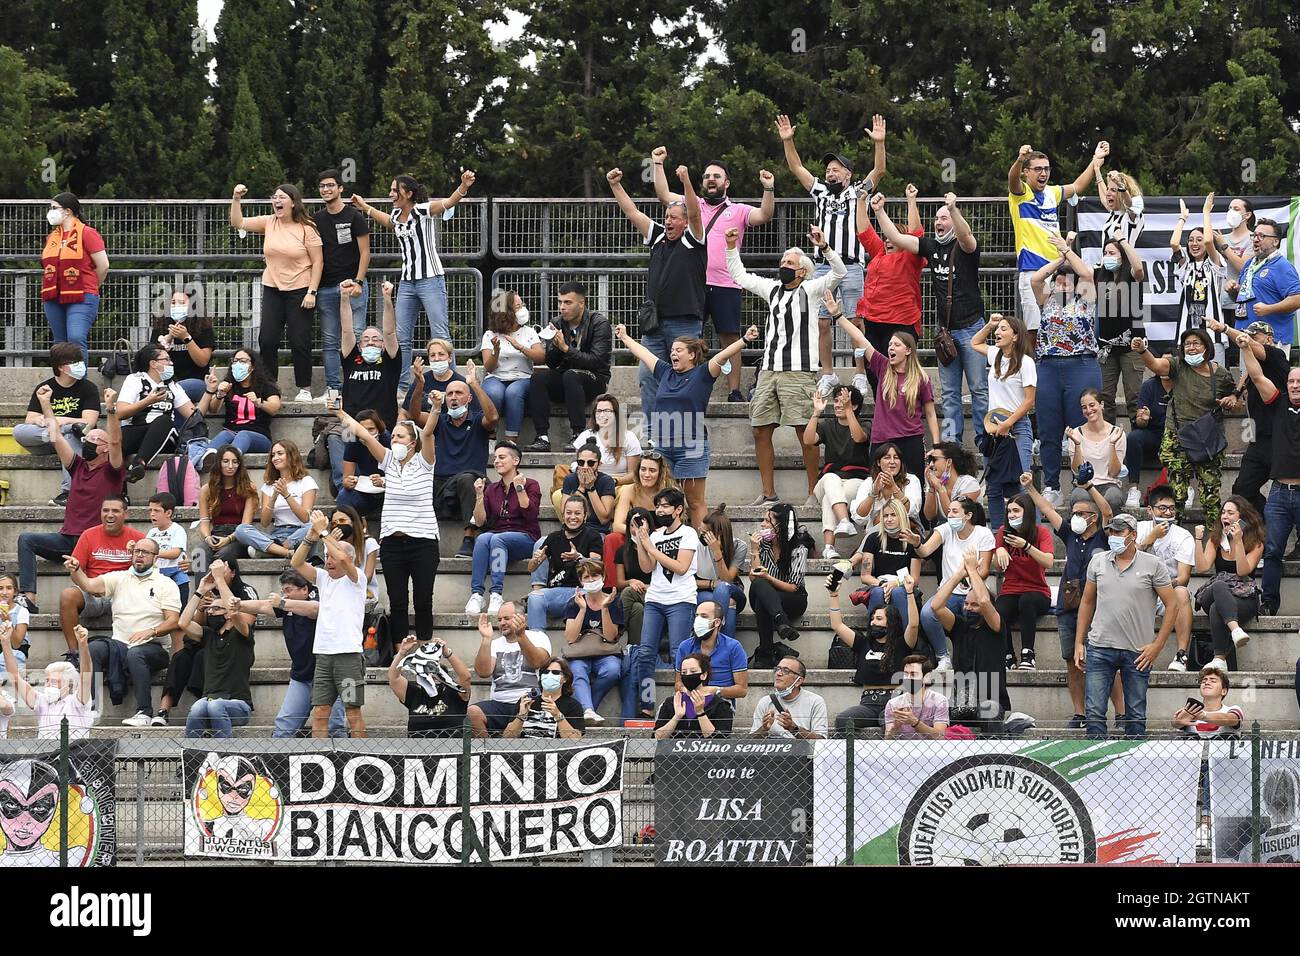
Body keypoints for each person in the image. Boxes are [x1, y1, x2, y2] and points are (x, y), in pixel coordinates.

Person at [651, 146, 777, 401]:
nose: (711, 179)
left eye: (716, 176)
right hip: (693, 286)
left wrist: (768, 188)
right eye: (707, 176)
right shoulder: (692, 204)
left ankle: (734, 390)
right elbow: (664, 195)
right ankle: (689, 388)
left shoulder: (739, 210)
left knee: (730, 338)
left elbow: (765, 214)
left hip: (726, 283)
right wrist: (657, 164)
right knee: (689, 339)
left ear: (726, 183)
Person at [729, 229, 843, 506]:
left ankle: (813, 493)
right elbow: (740, 276)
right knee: (760, 429)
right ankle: (768, 494)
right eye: (782, 262)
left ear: (803, 271)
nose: (784, 266)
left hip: (799, 371)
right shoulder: (773, 289)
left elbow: (839, 272)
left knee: (806, 433)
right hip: (768, 370)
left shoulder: (812, 289)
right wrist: (731, 246)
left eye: (790, 263)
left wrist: (825, 246)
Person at [775, 112, 887, 389]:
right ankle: (828, 374)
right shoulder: (820, 192)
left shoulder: (858, 191)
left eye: (836, 169)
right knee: (823, 323)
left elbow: (880, 171)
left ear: (848, 175)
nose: (830, 172)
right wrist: (788, 141)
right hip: (823, 266)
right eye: (828, 169)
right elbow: (797, 168)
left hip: (851, 265)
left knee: (855, 322)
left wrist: (879, 143)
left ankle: (860, 374)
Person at [615, 320, 754, 523]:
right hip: (663, 446)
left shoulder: (703, 373)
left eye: (678, 350)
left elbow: (723, 355)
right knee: (663, 500)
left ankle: (702, 546)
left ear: (691, 354)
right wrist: (625, 337)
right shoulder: (665, 372)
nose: (673, 353)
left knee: (695, 502)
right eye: (672, 350)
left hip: (691, 446)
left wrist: (744, 340)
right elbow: (643, 353)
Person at [880, 191, 989, 444]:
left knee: (979, 390)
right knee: (950, 393)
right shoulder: (930, 246)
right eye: (937, 218)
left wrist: (953, 209)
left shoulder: (965, 247)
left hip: (973, 328)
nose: (939, 222)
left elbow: (967, 236)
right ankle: (953, 444)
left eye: (944, 218)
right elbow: (896, 237)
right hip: (946, 333)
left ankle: (986, 442)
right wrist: (879, 211)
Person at [350, 169, 476, 385]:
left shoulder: (422, 210)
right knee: (402, 336)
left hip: (431, 279)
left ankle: (454, 383)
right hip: (408, 282)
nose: (390, 194)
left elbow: (449, 202)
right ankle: (402, 385)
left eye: (394, 190)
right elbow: (388, 222)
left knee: (440, 334)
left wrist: (463, 186)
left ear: (407, 193)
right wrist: (365, 207)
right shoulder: (397, 216)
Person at [606, 165, 707, 430]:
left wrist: (686, 181)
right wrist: (616, 185)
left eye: (674, 217)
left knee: (686, 378)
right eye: (666, 216)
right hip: (655, 325)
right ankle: (654, 433)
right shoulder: (659, 237)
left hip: (684, 325)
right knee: (647, 376)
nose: (668, 221)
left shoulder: (694, 239)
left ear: (685, 222)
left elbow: (695, 211)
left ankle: (688, 428)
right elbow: (632, 212)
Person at [335, 397, 440, 643]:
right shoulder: (389, 461)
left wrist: (435, 408)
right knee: (398, 601)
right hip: (392, 543)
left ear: (412, 443)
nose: (394, 440)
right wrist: (340, 413)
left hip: (423, 542)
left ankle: (425, 649)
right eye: (393, 437)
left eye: (400, 437)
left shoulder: (425, 462)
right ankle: (400, 653)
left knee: (423, 600)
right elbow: (365, 435)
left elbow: (428, 433)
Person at [1021, 472, 1119, 729]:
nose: (1074, 517)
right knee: (1072, 663)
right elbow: (1046, 508)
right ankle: (1080, 714)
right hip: (1068, 606)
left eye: (1080, 513)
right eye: (1073, 513)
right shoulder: (1069, 535)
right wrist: (1031, 488)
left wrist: (1090, 487)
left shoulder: (1105, 537)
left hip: (1099, 609)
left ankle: (1120, 714)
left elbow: (1108, 511)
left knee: (1105, 662)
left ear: (1092, 517)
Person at [17, 386, 124, 615]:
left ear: (104, 448)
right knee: (26, 539)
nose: (88, 441)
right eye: (88, 437)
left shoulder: (112, 471)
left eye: (95, 439)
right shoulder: (78, 466)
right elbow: (56, 438)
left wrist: (111, 409)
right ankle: (28, 598)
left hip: (94, 542)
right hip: (68, 539)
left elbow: (116, 441)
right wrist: (46, 404)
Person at [1075, 513, 1178, 739]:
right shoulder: (1098, 561)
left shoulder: (1153, 564)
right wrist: (1079, 643)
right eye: (1111, 531)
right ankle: (1095, 762)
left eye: (1119, 532)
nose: (1113, 536)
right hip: (1100, 645)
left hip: (1138, 651)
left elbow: (1173, 604)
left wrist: (1157, 646)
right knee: (1093, 713)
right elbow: (1086, 601)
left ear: (1133, 535)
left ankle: (1135, 768)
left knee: (1136, 715)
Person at [229, 182, 323, 402]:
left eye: (282, 197)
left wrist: (312, 291)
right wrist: (236, 198)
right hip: (272, 287)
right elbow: (238, 222)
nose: (277, 201)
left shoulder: (306, 227)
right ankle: (271, 387)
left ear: (293, 202)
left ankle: (304, 389)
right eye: (274, 197)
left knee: (299, 340)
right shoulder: (269, 222)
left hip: (301, 288)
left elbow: (318, 262)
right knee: (267, 339)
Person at [72, 537, 181, 727]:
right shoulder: (119, 578)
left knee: (136, 653)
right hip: (120, 645)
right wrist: (76, 569)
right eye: (137, 551)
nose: (139, 555)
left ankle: (144, 711)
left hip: (154, 648)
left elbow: (174, 621)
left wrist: (151, 631)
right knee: (93, 649)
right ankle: (93, 709)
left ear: (155, 558)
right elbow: (88, 585)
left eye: (145, 552)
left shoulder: (166, 584)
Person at [1132, 328, 1235, 527]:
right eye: (1187, 344)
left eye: (1196, 343)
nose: (1192, 347)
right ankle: (1172, 538)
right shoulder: (1177, 366)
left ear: (1207, 347)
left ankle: (1216, 542)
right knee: (1176, 496)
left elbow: (1236, 398)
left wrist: (1231, 400)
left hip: (1207, 441)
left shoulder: (1221, 374)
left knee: (1211, 496)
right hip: (1177, 437)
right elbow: (1155, 365)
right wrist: (1143, 351)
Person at [1007, 142, 1106, 346]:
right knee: (1035, 331)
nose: (1043, 173)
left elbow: (1078, 186)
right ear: (1026, 172)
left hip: (1058, 272)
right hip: (1034, 272)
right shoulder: (1021, 193)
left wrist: (1095, 160)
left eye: (1046, 168)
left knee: (1063, 324)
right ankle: (1035, 376)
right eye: (1037, 169)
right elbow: (1012, 180)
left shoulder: (1052, 193)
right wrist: (1019, 159)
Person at [1031, 230, 1103, 508]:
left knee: (1079, 428)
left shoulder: (1085, 299)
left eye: (1066, 284)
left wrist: (1068, 253)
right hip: (1049, 366)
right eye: (1058, 284)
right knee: (1049, 429)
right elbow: (1036, 279)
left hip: (1081, 364)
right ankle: (1051, 485)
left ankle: (1079, 483)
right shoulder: (1046, 300)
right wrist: (1059, 258)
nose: (1062, 287)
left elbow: (1087, 274)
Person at [228, 569, 346, 739]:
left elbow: (314, 610)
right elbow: (262, 605)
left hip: (329, 675)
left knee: (335, 727)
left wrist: (282, 602)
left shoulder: (319, 598)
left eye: (289, 590)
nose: (285, 594)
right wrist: (240, 605)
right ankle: (276, 764)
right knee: (283, 728)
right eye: (283, 591)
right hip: (301, 676)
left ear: (305, 589)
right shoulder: (287, 605)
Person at [832, 300, 938, 481]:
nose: (891, 348)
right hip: (882, 439)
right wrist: (838, 316)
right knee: (879, 489)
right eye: (890, 345)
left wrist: (936, 445)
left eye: (896, 345)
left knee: (913, 489)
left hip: (910, 439)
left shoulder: (921, 377)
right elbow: (859, 338)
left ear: (908, 350)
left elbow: (930, 414)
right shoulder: (882, 366)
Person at [291, 510, 368, 738]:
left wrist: (325, 532)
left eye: (332, 556)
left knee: (352, 712)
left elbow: (343, 558)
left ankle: (361, 761)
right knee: (320, 712)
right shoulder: (323, 578)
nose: (329, 560)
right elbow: (296, 562)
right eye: (327, 556)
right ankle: (318, 764)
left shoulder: (357, 578)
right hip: (324, 654)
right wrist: (311, 536)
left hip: (348, 654)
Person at [1242, 336, 1300, 618]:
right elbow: (1255, 373)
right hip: (1279, 493)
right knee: (1273, 551)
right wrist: (1244, 348)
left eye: (1299, 382)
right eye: (1291, 382)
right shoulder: (1277, 402)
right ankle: (1269, 604)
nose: (1295, 385)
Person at [631, 488, 700, 717]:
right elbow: (647, 568)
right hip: (655, 598)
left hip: (680, 599)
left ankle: (679, 702)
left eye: (665, 506)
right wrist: (642, 542)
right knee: (645, 652)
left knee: (678, 652)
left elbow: (681, 567)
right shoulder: (655, 535)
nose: (660, 510)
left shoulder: (689, 533)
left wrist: (651, 548)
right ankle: (647, 705)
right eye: (658, 506)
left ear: (678, 509)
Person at [853, 187, 928, 394]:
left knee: (897, 371)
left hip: (900, 323)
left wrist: (911, 200)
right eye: (885, 236)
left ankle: (903, 412)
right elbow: (864, 232)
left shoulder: (910, 257)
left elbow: (917, 234)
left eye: (892, 236)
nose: (887, 240)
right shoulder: (879, 253)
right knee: (872, 368)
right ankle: (883, 409)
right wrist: (861, 200)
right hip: (873, 322)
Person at [524, 282, 615, 453]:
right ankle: (542, 437)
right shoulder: (557, 322)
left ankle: (578, 435)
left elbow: (597, 361)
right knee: (538, 377)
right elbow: (551, 363)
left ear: (582, 303)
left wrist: (566, 348)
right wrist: (555, 346)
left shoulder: (599, 323)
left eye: (568, 302)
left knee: (571, 375)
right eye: (560, 302)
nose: (562, 307)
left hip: (594, 379)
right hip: (566, 377)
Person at [906, 496, 995, 671]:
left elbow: (984, 570)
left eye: (955, 511)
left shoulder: (983, 533)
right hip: (949, 594)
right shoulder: (945, 529)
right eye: (949, 512)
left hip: (974, 592)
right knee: (926, 613)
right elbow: (924, 551)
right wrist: (917, 542)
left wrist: (967, 576)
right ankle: (943, 656)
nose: (950, 515)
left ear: (968, 515)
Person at [930, 549, 1013, 732]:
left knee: (988, 713)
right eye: (966, 604)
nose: (968, 608)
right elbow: (936, 606)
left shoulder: (996, 626)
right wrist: (960, 573)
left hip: (990, 701)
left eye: (973, 605)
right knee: (936, 718)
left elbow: (984, 601)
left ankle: (993, 758)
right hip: (962, 701)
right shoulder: (959, 627)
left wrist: (973, 570)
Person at [830, 568, 920, 733]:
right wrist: (834, 595)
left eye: (878, 619)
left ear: (891, 622)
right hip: (868, 703)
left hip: (895, 700)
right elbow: (837, 625)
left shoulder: (902, 644)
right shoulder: (863, 643)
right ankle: (854, 758)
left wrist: (909, 593)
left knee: (893, 726)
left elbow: (913, 624)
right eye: (872, 619)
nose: (873, 623)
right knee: (843, 720)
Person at [333, 279, 401, 490]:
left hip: (381, 428)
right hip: (351, 427)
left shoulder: (389, 361)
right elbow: (346, 330)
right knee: (335, 438)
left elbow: (389, 331)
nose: (371, 342)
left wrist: (388, 300)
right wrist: (344, 298)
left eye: (375, 339)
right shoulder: (352, 359)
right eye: (366, 339)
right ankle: (342, 484)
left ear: (382, 345)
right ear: (360, 345)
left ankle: (384, 484)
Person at [13, 342, 100, 506]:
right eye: (75, 362)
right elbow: (29, 419)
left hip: (77, 442)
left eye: (80, 361)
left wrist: (63, 420)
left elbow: (89, 422)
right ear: (61, 367)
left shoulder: (88, 388)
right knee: (19, 431)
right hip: (48, 440)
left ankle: (70, 491)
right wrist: (40, 420)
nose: (80, 365)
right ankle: (62, 431)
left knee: (70, 435)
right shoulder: (44, 387)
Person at [1220, 317, 1291, 516]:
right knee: (1242, 491)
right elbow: (1250, 378)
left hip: (1282, 438)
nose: (1249, 339)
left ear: (1269, 339)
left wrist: (1225, 328)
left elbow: (1256, 363)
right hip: (1258, 441)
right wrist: (1235, 394)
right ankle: (1266, 524)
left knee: (1294, 493)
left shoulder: (1276, 355)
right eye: (1248, 335)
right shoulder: (1252, 366)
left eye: (1255, 336)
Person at [971, 313, 1036, 527]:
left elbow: (1029, 401)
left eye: (1004, 328)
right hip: (994, 429)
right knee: (994, 486)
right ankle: (999, 534)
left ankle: (1028, 532)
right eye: (998, 329)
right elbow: (975, 342)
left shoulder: (1026, 362)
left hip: (1016, 427)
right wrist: (989, 325)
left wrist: (1008, 423)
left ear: (1016, 336)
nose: (999, 332)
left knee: (1022, 483)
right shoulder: (996, 354)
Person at [179, 562, 257, 738]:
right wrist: (200, 590)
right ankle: (193, 758)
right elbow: (183, 623)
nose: (211, 612)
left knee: (215, 705)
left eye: (217, 608)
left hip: (239, 706)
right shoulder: (208, 635)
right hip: (209, 702)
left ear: (228, 613)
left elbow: (235, 612)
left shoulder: (241, 633)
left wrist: (220, 579)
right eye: (210, 609)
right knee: (199, 706)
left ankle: (224, 757)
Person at [314, 168, 372, 398]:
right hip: (326, 288)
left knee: (357, 337)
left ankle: (356, 387)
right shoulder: (316, 219)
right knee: (329, 341)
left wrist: (358, 281)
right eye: (322, 186)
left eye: (330, 185)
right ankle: (333, 388)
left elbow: (365, 252)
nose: (326, 189)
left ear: (340, 188)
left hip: (353, 286)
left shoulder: (354, 216)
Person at [466, 442, 542, 615]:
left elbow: (530, 514)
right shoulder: (492, 489)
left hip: (526, 537)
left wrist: (519, 488)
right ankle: (477, 593)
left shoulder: (531, 484)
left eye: (502, 457)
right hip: (498, 539)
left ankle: (496, 593)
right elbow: (479, 522)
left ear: (515, 460)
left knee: (496, 538)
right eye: (495, 458)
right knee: (483, 538)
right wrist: (479, 495)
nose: (497, 461)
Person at [428, 371, 498, 558]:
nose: (453, 397)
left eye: (459, 393)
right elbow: (412, 414)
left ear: (468, 398)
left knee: (468, 480)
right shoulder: (440, 420)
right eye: (449, 394)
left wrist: (474, 384)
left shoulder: (476, 419)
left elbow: (493, 418)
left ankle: (469, 538)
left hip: (471, 483)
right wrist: (419, 384)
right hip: (443, 484)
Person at [1192, 496, 1264, 672]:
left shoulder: (1256, 542)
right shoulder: (1216, 539)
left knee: (1218, 608)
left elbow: (1242, 571)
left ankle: (1219, 659)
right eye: (1223, 512)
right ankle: (1236, 630)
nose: (1225, 516)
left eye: (1230, 513)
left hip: (1243, 595)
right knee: (1218, 586)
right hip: (1217, 591)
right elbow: (1202, 568)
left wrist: (1238, 541)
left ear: (1242, 517)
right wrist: (1198, 540)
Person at [41, 192, 109, 362]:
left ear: (68, 211)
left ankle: (79, 385)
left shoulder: (87, 233)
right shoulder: (52, 237)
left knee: (76, 338)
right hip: (53, 295)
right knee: (59, 344)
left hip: (82, 294)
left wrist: (92, 286)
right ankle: (61, 384)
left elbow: (103, 265)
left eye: (54, 208)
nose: (51, 212)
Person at [1136, 485, 1196, 672]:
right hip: (1137, 591)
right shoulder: (1138, 528)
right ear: (1150, 510)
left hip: (1166, 594)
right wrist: (1150, 539)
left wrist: (1161, 588)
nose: (1168, 513)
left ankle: (1181, 655)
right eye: (1162, 508)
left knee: (1182, 592)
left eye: (1171, 508)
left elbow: (1184, 578)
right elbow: (1123, 559)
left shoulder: (1183, 536)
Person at [807, 384, 871, 559]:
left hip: (855, 480)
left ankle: (829, 547)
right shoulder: (828, 425)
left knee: (830, 497)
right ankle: (844, 521)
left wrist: (848, 410)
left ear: (854, 405)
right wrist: (816, 413)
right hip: (828, 480)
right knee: (830, 478)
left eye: (842, 401)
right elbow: (808, 439)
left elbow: (859, 437)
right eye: (835, 401)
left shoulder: (865, 424)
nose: (837, 404)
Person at [115, 344, 195, 483]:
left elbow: (193, 415)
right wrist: (147, 401)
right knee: (114, 442)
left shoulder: (172, 385)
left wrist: (211, 393)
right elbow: (120, 413)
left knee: (163, 420)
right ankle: (120, 493)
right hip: (136, 429)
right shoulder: (135, 379)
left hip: (164, 435)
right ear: (153, 363)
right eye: (167, 359)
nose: (171, 363)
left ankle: (139, 463)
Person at [467, 607, 553, 735]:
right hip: (500, 703)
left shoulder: (538, 637)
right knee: (472, 712)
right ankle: (488, 753)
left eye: (507, 618)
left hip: (530, 702)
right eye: (499, 619)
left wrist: (521, 636)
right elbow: (483, 672)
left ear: (521, 618)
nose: (502, 623)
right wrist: (486, 640)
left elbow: (538, 663)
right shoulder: (495, 643)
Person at [1093, 226, 1147, 427]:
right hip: (1106, 348)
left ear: (1122, 256)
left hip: (1132, 346)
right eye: (1105, 253)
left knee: (1134, 397)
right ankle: (1108, 442)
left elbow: (1139, 267)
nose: (1107, 256)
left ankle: (1138, 443)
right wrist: (1066, 248)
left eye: (1112, 253)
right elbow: (1080, 269)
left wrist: (1122, 240)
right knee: (1105, 398)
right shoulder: (1100, 277)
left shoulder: (1132, 276)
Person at [747, 503, 813, 669]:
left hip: (792, 599)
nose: (763, 524)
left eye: (767, 521)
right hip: (769, 597)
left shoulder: (799, 548)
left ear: (780, 525)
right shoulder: (763, 545)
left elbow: (794, 587)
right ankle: (780, 620)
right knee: (761, 586)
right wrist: (754, 550)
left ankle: (766, 652)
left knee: (763, 598)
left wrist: (768, 577)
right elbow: (754, 578)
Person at [561, 558, 626, 723]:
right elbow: (570, 637)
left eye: (595, 576)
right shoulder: (574, 602)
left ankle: (586, 708)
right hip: (579, 651)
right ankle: (588, 710)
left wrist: (605, 608)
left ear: (603, 576)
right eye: (586, 577)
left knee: (612, 670)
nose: (591, 580)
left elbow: (611, 636)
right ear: (581, 581)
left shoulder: (614, 601)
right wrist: (582, 609)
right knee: (577, 670)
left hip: (604, 650)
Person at [2, 623, 94, 739]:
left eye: (54, 682)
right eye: (47, 681)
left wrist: (82, 644)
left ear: (69, 685)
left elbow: (86, 676)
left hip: (73, 754)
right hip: (45, 755)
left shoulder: (77, 702)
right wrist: (5, 643)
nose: (49, 685)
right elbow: (15, 677)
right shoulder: (42, 701)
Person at [193, 349, 282, 468]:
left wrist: (259, 403)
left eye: (243, 361)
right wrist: (220, 394)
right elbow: (213, 409)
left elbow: (274, 407)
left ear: (253, 366)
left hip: (258, 437)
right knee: (224, 434)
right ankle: (206, 459)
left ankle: (231, 461)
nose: (238, 364)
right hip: (231, 432)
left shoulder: (265, 386)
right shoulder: (229, 385)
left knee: (243, 434)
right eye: (235, 361)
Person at [993, 493, 1053, 671]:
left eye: (1016, 511)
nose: (1011, 515)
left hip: (1038, 591)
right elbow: (998, 568)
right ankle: (1007, 655)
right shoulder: (1003, 532)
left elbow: (1048, 562)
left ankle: (1028, 654)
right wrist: (999, 552)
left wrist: (1026, 546)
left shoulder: (1041, 532)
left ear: (1027, 513)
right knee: (1000, 608)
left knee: (1026, 601)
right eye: (1009, 511)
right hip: (1010, 589)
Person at [526, 497, 604, 630]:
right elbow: (531, 568)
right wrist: (535, 559)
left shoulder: (593, 536)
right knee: (534, 598)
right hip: (558, 592)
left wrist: (578, 557)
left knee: (587, 598)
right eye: (568, 513)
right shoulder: (553, 538)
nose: (572, 517)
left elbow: (596, 567)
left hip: (583, 591)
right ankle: (538, 643)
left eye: (577, 513)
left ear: (585, 516)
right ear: (563, 515)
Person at [1171, 195, 1230, 366]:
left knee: (1216, 383)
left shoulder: (1215, 263)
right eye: (1190, 240)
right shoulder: (1185, 266)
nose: (1195, 244)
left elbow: (1209, 240)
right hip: (1187, 334)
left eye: (1198, 240)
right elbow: (1174, 243)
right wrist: (1183, 217)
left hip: (1213, 334)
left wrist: (1206, 212)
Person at [1224, 217, 1300, 348]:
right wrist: (1234, 290)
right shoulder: (1249, 264)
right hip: (1246, 337)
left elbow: (1297, 298)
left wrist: (1269, 309)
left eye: (1262, 236)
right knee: (1248, 370)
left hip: (1271, 341)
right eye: (1254, 235)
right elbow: (1241, 298)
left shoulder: (1282, 265)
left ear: (1275, 241)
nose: (1255, 239)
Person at [234, 440, 318, 558]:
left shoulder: (306, 481)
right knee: (241, 530)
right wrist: (273, 498)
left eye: (280, 453)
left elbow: (305, 518)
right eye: (273, 455)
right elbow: (264, 522)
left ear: (291, 456)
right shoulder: (268, 486)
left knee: (314, 526)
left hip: (300, 533)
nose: (275, 458)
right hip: (277, 534)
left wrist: (286, 495)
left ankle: (273, 550)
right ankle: (285, 552)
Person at [480, 289, 544, 442]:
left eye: (522, 305)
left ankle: (511, 440)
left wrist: (520, 347)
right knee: (494, 393)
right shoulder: (490, 335)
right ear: (506, 311)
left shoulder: (529, 332)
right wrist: (496, 351)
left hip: (523, 378)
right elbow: (488, 367)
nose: (522, 310)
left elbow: (541, 357)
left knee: (513, 393)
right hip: (496, 377)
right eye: (518, 306)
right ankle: (490, 434)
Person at [604, 453, 677, 582]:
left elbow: (677, 524)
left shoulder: (670, 491)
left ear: (661, 473)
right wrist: (640, 533)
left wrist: (653, 535)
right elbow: (617, 525)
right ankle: (613, 586)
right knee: (612, 538)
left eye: (652, 470)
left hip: (662, 536)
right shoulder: (629, 490)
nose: (647, 474)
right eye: (643, 469)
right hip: (635, 535)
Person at [851, 498, 922, 626]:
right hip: (879, 584)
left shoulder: (912, 540)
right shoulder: (873, 539)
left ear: (901, 516)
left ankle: (905, 640)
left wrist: (895, 583)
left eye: (893, 515)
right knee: (878, 592)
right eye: (886, 516)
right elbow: (865, 576)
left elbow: (915, 578)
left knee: (898, 592)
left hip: (903, 585)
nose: (889, 519)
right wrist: (883, 584)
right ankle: (874, 638)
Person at [672, 599, 749, 711]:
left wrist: (715, 690)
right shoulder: (685, 646)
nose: (698, 620)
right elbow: (678, 683)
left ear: (717, 622)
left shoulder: (733, 647)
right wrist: (687, 691)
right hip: (690, 699)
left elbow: (742, 690)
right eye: (697, 615)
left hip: (720, 702)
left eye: (704, 616)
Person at [615, 509, 654, 721]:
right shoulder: (622, 550)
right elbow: (619, 582)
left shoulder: (656, 545)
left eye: (641, 523)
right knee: (635, 605)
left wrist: (647, 586)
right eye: (632, 524)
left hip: (655, 596)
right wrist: (631, 581)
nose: (636, 528)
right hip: (635, 600)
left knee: (630, 595)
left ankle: (618, 633)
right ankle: (634, 646)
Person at [389, 636, 471, 738]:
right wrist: (402, 652)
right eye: (428, 672)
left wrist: (447, 653)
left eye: (436, 673)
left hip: (451, 748)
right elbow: (393, 678)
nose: (432, 676)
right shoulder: (415, 692)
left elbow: (466, 677)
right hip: (417, 749)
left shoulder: (454, 692)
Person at [1065, 388, 1126, 511]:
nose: (1088, 410)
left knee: (1113, 497)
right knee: (1079, 497)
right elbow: (1077, 471)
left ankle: (1107, 529)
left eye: (1092, 405)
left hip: (1109, 484)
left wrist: (1112, 444)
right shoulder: (1076, 433)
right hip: (1085, 484)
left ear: (1101, 405)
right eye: (1084, 407)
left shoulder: (1117, 433)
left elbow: (1114, 472)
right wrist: (1077, 444)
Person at [151, 290, 215, 405]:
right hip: (165, 382)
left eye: (182, 303)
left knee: (177, 390)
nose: (176, 306)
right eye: (173, 302)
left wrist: (186, 338)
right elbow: (151, 359)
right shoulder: (161, 326)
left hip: (195, 381)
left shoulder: (203, 327)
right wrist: (167, 341)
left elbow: (202, 361)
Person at [694, 505, 749, 639]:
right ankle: (723, 644)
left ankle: (710, 637)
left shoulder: (739, 546)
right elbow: (689, 581)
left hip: (733, 590)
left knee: (723, 588)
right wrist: (712, 584)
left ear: (718, 534)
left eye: (704, 534)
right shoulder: (696, 545)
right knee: (729, 602)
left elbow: (727, 580)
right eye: (700, 531)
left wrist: (717, 552)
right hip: (703, 592)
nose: (701, 536)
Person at [197, 447, 257, 567]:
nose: (230, 466)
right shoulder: (207, 489)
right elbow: (204, 521)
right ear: (218, 463)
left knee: (223, 555)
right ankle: (201, 586)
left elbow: (245, 525)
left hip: (239, 536)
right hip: (217, 532)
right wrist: (208, 538)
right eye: (225, 461)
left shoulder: (249, 488)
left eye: (235, 462)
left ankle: (218, 585)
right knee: (199, 554)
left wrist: (228, 539)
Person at [501, 657, 585, 739]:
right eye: (546, 672)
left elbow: (575, 739)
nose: (549, 675)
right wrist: (521, 716)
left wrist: (558, 716)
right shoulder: (526, 701)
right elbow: (507, 738)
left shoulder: (573, 706)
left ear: (565, 678)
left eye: (555, 672)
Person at [1123, 374, 1173, 509]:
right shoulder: (1149, 385)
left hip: (1176, 434)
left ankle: (1186, 488)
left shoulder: (1183, 383)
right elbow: (1139, 422)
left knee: (1189, 438)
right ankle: (1134, 488)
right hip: (1153, 434)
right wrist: (1143, 419)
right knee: (1133, 438)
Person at [654, 652, 734, 738]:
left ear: (703, 675)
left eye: (693, 671)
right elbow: (657, 737)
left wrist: (700, 712)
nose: (688, 675)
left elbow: (719, 740)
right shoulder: (670, 702)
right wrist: (677, 717)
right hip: (674, 750)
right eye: (684, 672)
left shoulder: (721, 705)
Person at [573, 394, 642, 487]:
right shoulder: (585, 436)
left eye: (607, 411)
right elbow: (581, 465)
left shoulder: (629, 437)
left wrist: (613, 482)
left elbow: (634, 475)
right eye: (599, 411)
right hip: (589, 482)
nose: (602, 414)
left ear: (616, 414)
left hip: (619, 484)